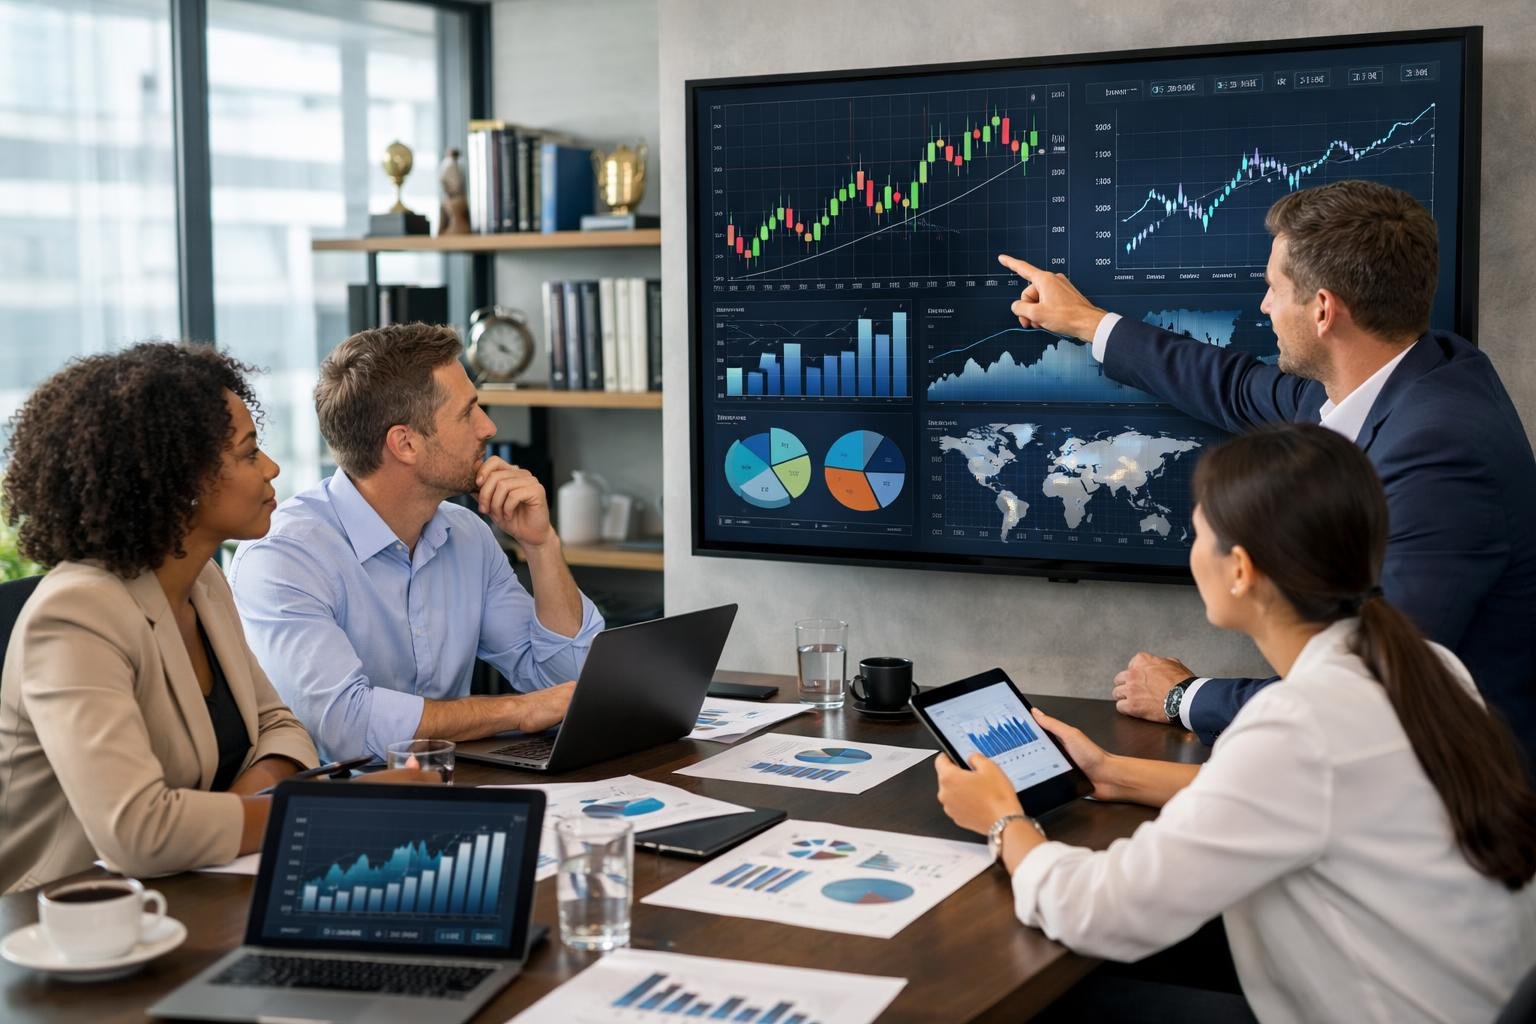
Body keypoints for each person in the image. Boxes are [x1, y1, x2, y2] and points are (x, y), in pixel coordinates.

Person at [935, 423, 1536, 1023]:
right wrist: (1110, 772)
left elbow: (1102, 911)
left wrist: (1003, 821)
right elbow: (1295, 793)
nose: (1192, 550)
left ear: (1241, 569)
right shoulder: (1427, 666)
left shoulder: (1298, 725)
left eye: (1198, 533)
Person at [998, 179, 1536, 764]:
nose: (1263, 305)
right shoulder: (1411, 373)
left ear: (1323, 309)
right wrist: (1087, 322)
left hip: (1457, 792)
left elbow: (1373, 691)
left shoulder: (1440, 455)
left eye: (1273, 288)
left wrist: (1184, 697)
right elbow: (1231, 386)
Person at [1, 345, 342, 892]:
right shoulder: (75, 615)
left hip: (188, 888)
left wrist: (233, 812)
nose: (272, 468)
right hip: (68, 915)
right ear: (180, 482)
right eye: (249, 453)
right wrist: (318, 812)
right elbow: (139, 833)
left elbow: (281, 728)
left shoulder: (203, 582)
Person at [229, 324, 603, 762]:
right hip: (340, 796)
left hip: (451, 784)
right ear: (405, 443)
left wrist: (541, 545)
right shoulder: (283, 556)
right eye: (468, 412)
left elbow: (571, 686)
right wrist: (517, 711)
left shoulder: (468, 536)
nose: (488, 427)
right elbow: (344, 727)